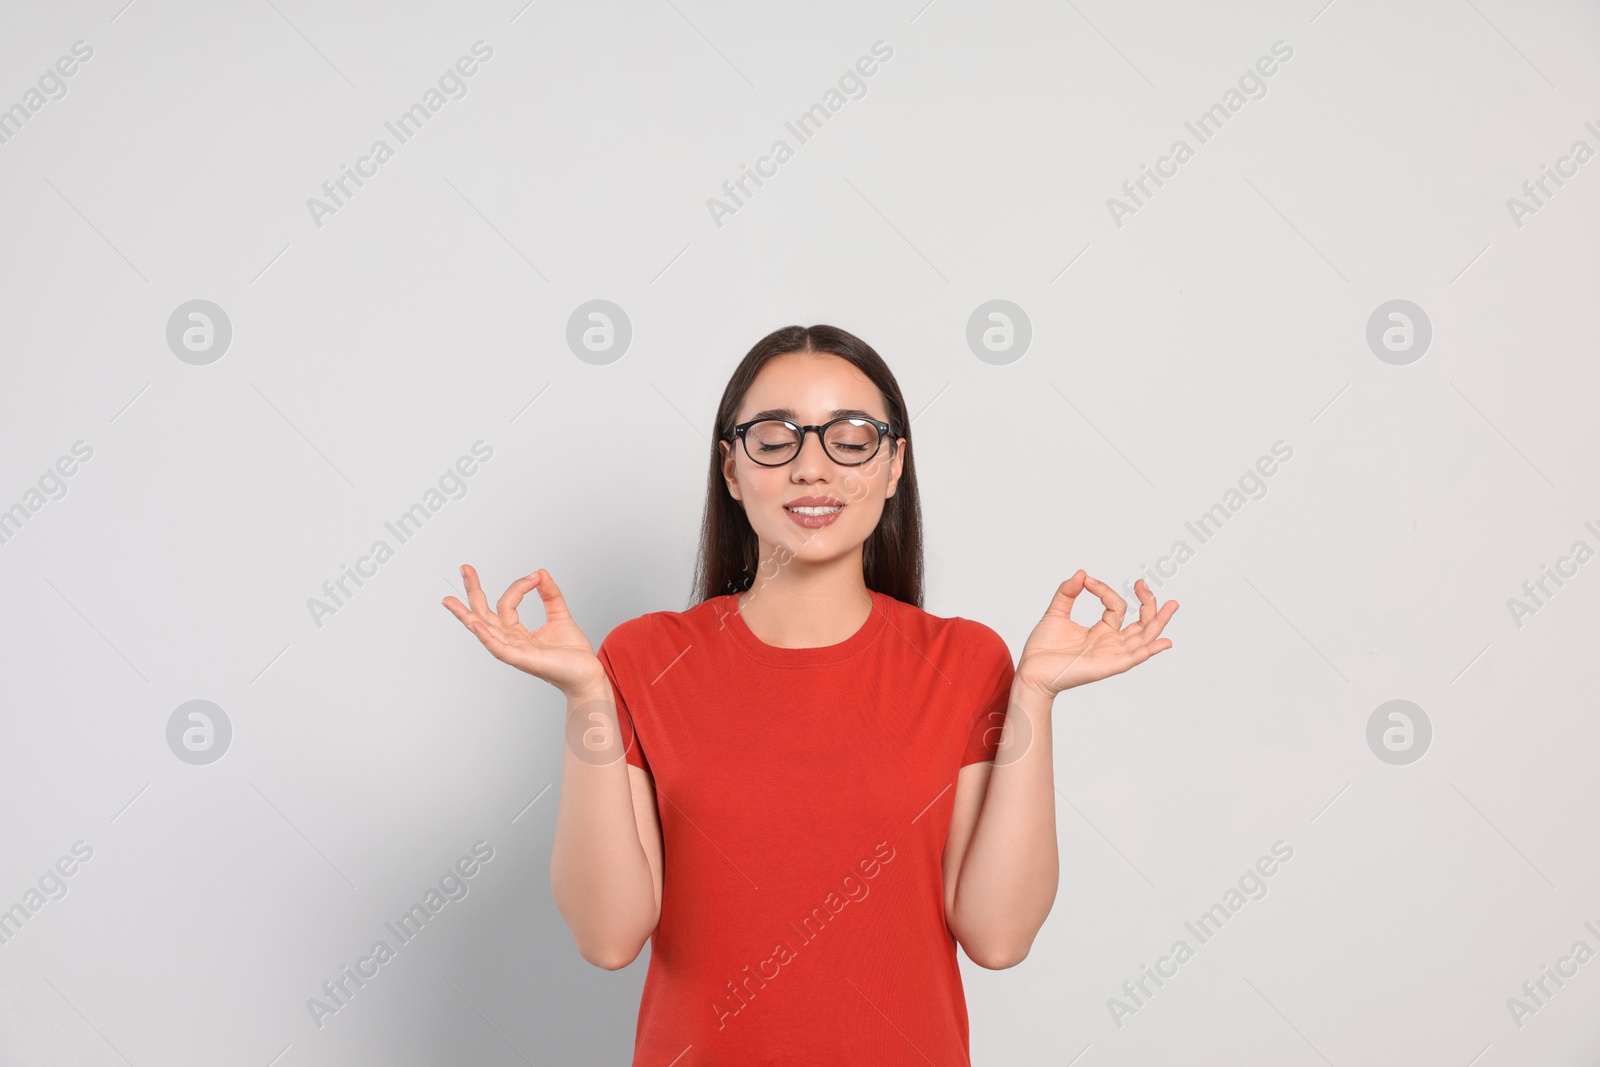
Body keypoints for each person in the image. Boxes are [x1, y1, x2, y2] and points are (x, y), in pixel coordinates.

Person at [442, 324, 1178, 1064]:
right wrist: (584, 699)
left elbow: (998, 935)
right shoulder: (644, 658)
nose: (811, 467)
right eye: (775, 437)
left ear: (894, 465)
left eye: (850, 438)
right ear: (731, 468)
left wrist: (1037, 695)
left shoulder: (963, 659)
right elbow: (608, 936)